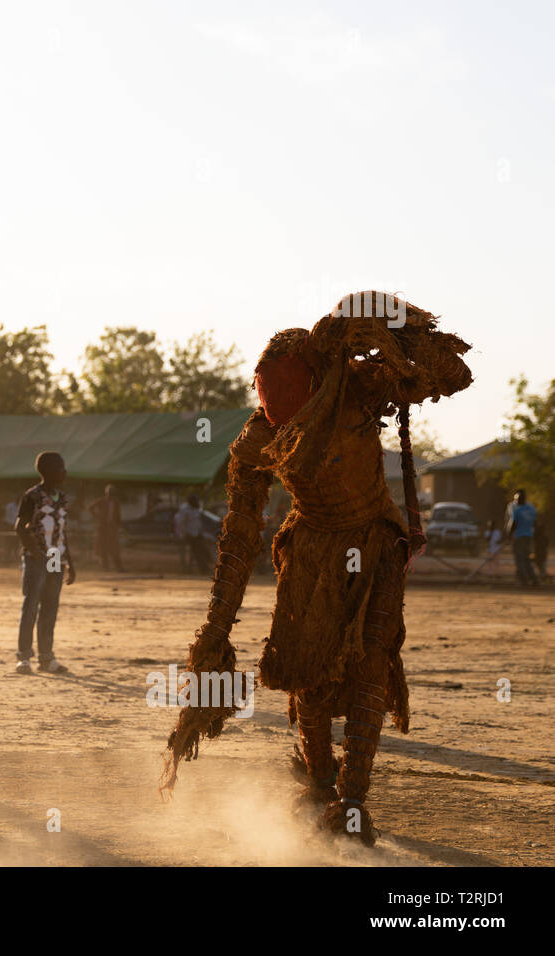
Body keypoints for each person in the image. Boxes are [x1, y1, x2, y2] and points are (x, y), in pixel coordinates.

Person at [162, 293, 473, 846]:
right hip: (307, 551)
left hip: (376, 541)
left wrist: (388, 326)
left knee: (371, 660)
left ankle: (352, 800)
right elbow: (238, 538)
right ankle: (320, 784)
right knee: (303, 671)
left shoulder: (361, 387)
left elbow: (454, 374)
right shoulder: (255, 442)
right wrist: (215, 632)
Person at [13, 451, 75, 675]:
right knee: (30, 606)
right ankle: (24, 658)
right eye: (61, 468)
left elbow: (62, 532)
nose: (65, 472)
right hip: (37, 558)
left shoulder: (62, 498)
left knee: (50, 607)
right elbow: (20, 527)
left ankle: (47, 658)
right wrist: (35, 552)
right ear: (48, 472)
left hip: (57, 559)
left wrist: (70, 563)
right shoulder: (32, 496)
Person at [505, 490, 539, 586]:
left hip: (519, 537)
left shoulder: (518, 510)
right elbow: (535, 523)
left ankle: (523, 580)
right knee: (527, 559)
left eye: (516, 500)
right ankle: (534, 579)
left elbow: (513, 524)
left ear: (519, 499)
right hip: (529, 536)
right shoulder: (532, 509)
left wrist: (508, 536)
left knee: (519, 559)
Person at [88, 484, 123, 571]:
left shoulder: (116, 502)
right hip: (102, 527)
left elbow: (118, 515)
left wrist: (118, 524)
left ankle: (118, 567)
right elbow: (90, 507)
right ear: (106, 493)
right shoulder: (102, 501)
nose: (110, 495)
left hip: (112, 528)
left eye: (112, 493)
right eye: (109, 493)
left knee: (114, 547)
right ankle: (105, 566)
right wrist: (97, 516)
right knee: (102, 547)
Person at [174, 494, 209, 574]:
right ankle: (191, 569)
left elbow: (198, 522)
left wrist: (200, 531)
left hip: (196, 534)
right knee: (193, 551)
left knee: (200, 551)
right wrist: (185, 533)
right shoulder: (184, 509)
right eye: (196, 501)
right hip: (187, 535)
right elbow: (180, 523)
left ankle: (202, 568)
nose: (197, 502)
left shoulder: (196, 508)